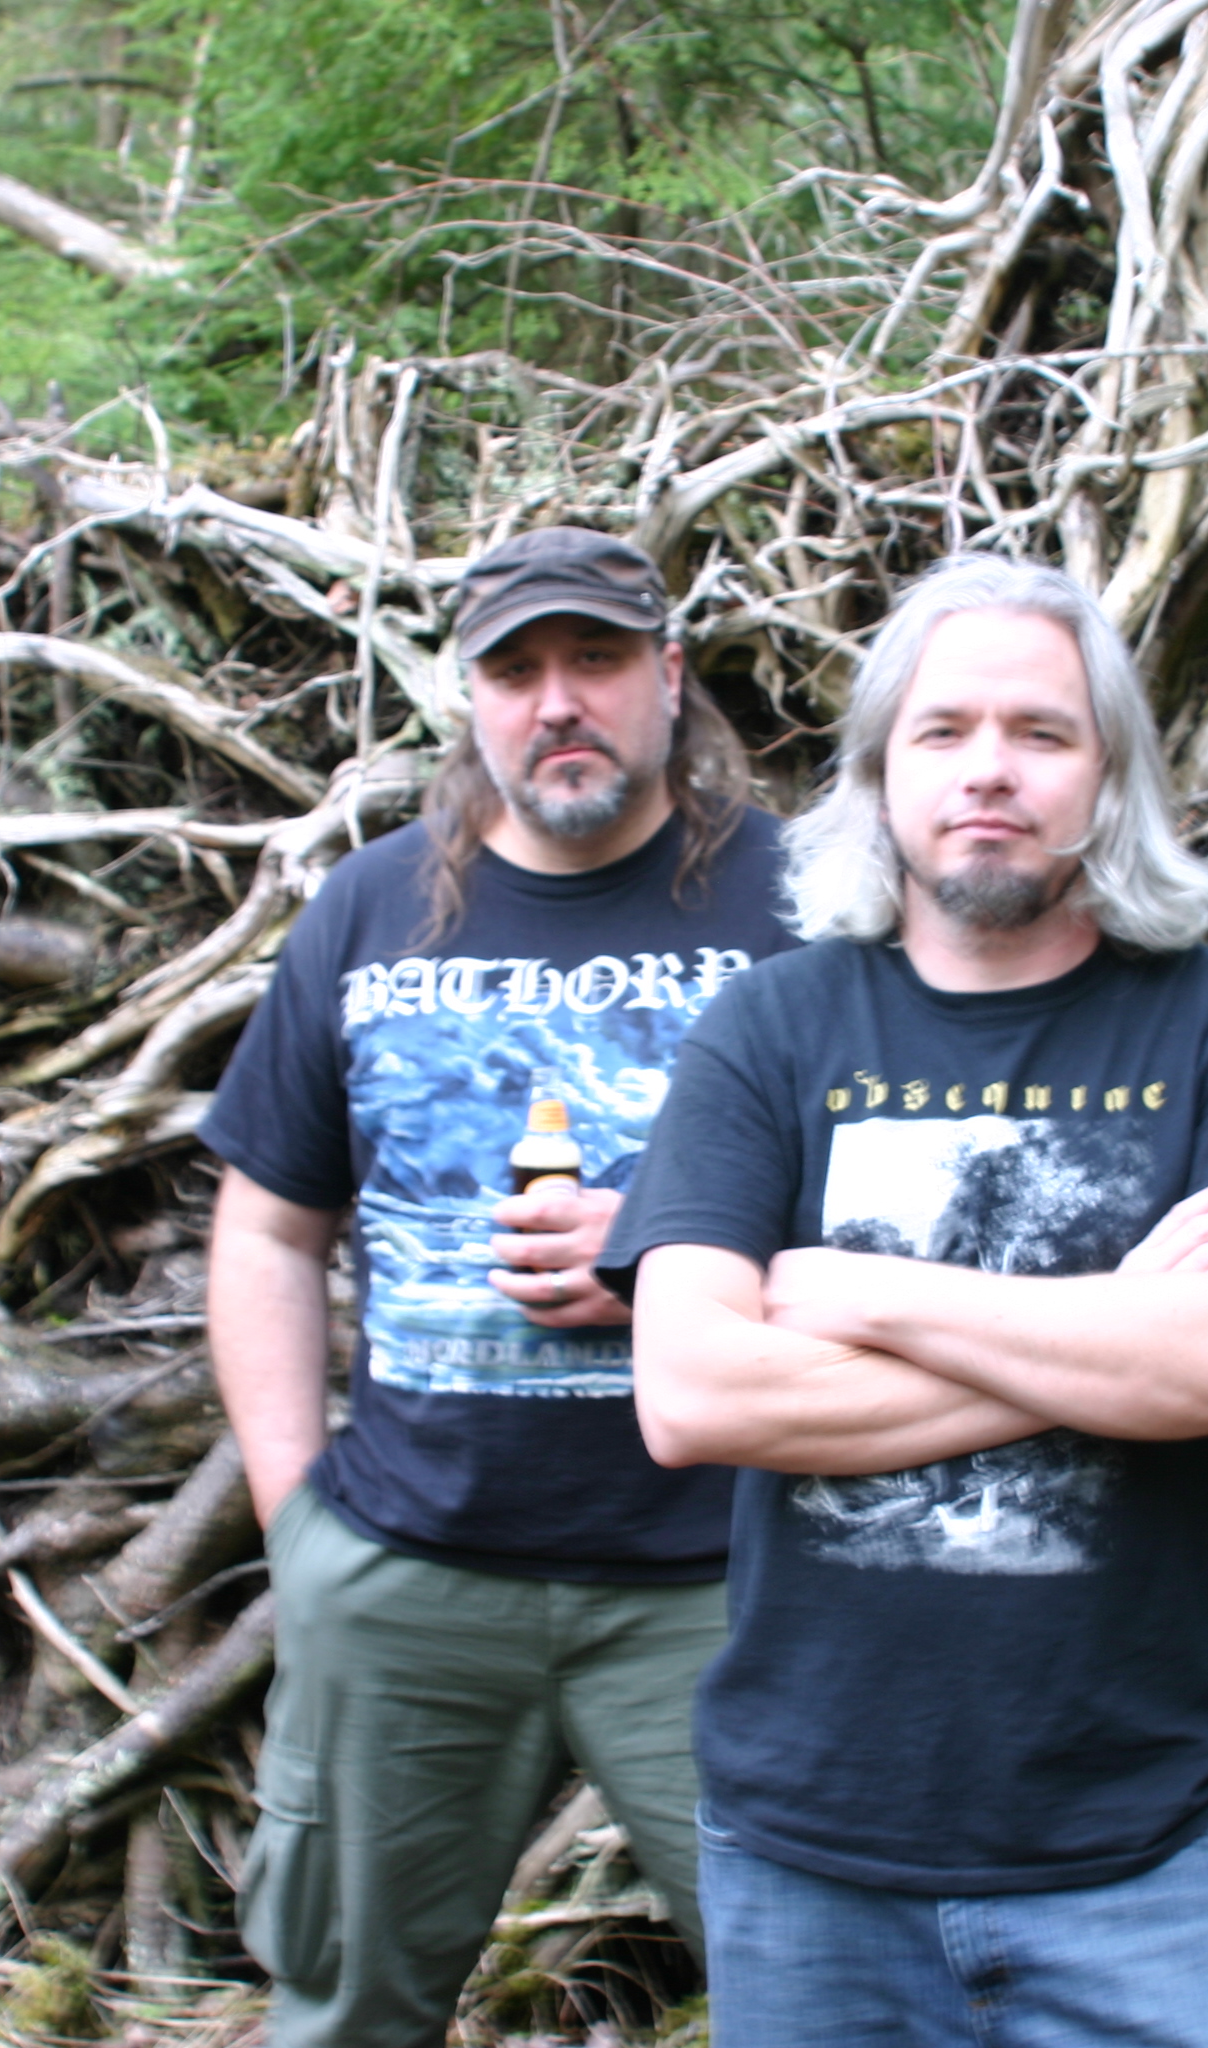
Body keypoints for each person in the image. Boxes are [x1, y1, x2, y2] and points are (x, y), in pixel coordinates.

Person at [601, 553, 1208, 2048]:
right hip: (814, 1856)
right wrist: (1120, 1328)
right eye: (943, 731)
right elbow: (691, 1394)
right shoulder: (770, 1028)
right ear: (880, 775)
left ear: (1110, 778)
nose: (989, 771)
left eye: (1042, 732)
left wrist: (855, 1291)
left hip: (1153, 1851)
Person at [199, 526, 798, 2046]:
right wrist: (296, 1524)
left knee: (818, 1996)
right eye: (517, 671)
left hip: (727, 1580)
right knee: (345, 2009)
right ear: (468, 697)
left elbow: (910, 1238)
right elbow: (267, 1233)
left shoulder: (802, 906)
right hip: (410, 1581)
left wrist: (676, 1265)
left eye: (597, 658)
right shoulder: (370, 910)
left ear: (671, 675)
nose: (559, 701)